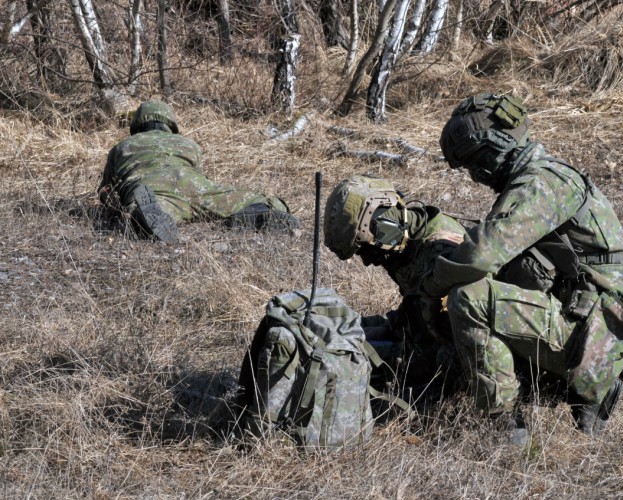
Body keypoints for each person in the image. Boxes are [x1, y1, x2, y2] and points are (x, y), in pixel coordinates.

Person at [420, 93, 623, 442]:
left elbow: (482, 255)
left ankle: (507, 431)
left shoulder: (543, 183)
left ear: (496, 148)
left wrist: (431, 290)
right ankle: (579, 388)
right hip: (584, 316)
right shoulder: (542, 179)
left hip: (597, 331)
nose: (476, 177)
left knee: (470, 299)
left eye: (476, 164)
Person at [323, 174, 467, 397]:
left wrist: (376, 356)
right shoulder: (402, 247)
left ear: (384, 225)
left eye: (365, 250)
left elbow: (446, 347)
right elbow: (414, 316)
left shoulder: (443, 251)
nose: (368, 261)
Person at [99, 100, 298, 243]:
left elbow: (106, 192)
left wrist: (117, 207)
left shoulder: (122, 147)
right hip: (196, 188)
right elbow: (200, 174)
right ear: (170, 124)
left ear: (136, 125)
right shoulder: (188, 144)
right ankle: (256, 211)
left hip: (154, 191)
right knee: (255, 198)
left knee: (153, 208)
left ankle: (148, 214)